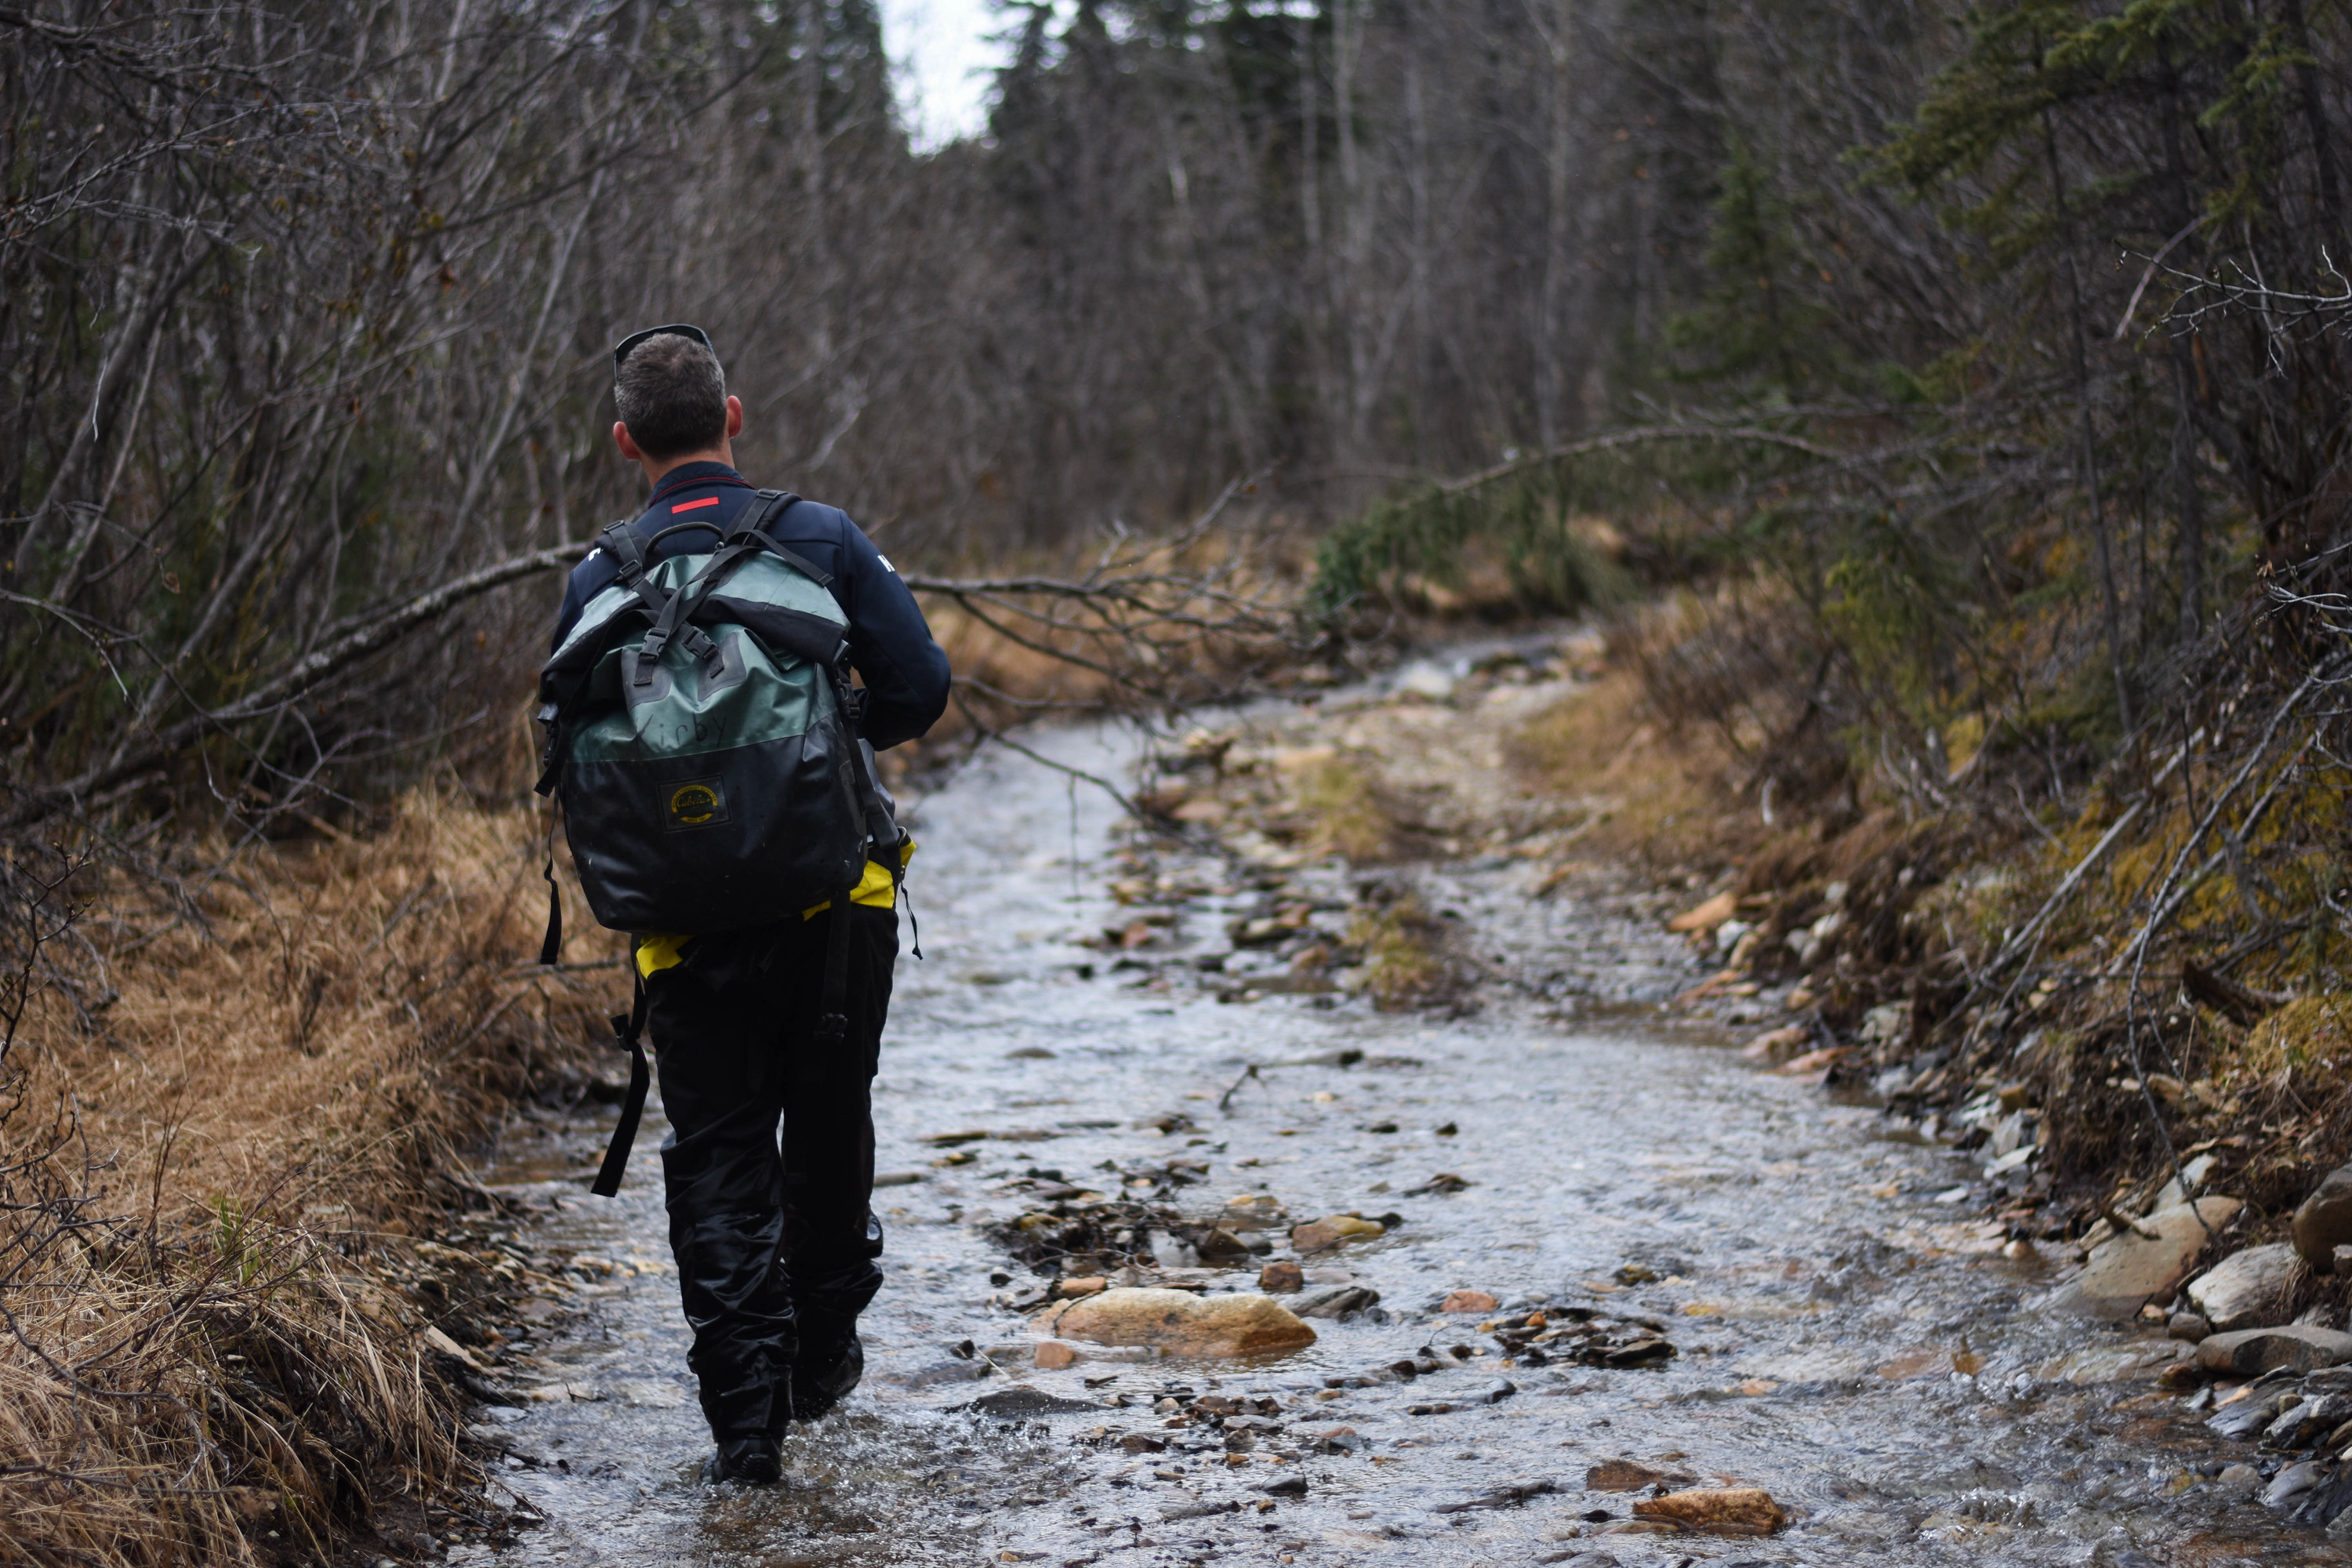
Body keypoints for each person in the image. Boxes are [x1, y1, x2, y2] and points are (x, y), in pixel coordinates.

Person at [553, 325, 951, 1483]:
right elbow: (920, 684)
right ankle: (819, 1362)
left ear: (626, 442)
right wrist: (822, 758)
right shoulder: (816, 537)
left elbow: (576, 749)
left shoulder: (600, 575)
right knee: (830, 1129)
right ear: (736, 415)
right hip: (838, 904)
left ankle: (745, 1435)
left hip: (680, 929)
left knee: (718, 1154)